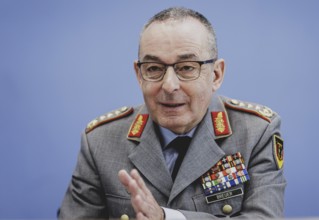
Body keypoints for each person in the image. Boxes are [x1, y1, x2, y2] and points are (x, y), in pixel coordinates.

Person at [58, 7, 286, 219]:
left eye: (187, 67)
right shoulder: (100, 141)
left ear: (216, 75)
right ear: (139, 75)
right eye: (154, 69)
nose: (169, 85)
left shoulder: (256, 133)